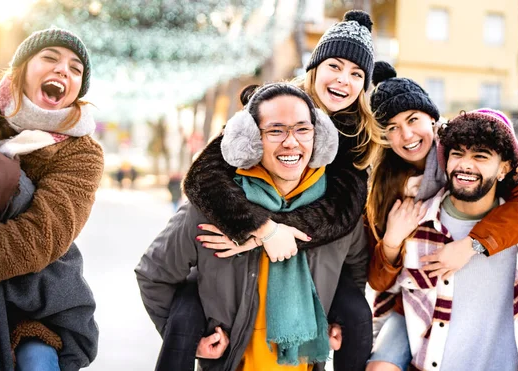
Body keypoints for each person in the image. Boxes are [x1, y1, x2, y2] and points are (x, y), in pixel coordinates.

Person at [156, 10, 378, 371]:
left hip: (305, 268)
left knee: (355, 313)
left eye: (356, 74)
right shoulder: (269, 106)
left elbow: (340, 214)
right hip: (237, 275)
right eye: (335, 66)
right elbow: (203, 177)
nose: (343, 80)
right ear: (315, 68)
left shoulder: (355, 140)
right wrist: (257, 226)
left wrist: (261, 234)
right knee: (188, 310)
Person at [365, 62, 518, 371]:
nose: (406, 135)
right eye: (392, 128)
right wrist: (392, 241)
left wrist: (470, 245)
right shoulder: (386, 187)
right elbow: (380, 281)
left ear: (433, 119)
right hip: (419, 294)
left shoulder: (466, 143)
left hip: (501, 278)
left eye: (413, 120)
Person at [0, 28, 103, 370]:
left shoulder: (81, 152)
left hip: (35, 297)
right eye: (50, 59)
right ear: (23, 68)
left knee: (36, 360)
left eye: (75, 69)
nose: (63, 71)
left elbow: (44, 235)